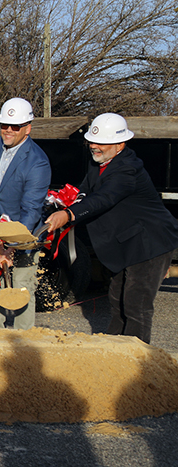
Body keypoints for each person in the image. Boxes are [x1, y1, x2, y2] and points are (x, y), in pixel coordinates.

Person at [46, 113, 178, 344]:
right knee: (117, 298)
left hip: (148, 244)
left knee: (136, 303)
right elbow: (86, 191)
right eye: (92, 141)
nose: (94, 146)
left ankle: (136, 358)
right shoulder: (98, 163)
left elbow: (104, 198)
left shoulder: (128, 170)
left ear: (120, 144)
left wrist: (69, 214)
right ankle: (112, 346)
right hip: (124, 244)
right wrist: (67, 202)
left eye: (101, 143)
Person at [0, 98, 51, 330]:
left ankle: (23, 337)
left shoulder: (38, 162)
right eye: (4, 125)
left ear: (27, 128)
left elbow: (31, 210)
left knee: (21, 287)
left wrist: (10, 246)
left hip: (22, 237)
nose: (8, 130)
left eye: (15, 126)